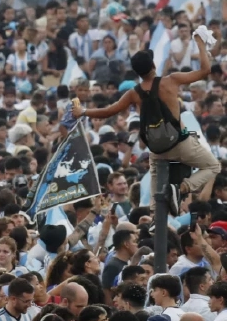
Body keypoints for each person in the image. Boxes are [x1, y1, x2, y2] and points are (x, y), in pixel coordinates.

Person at [74, 34, 222, 213]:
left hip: (157, 147)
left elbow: (109, 111)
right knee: (214, 165)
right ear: (153, 65)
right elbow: (205, 70)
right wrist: (199, 43)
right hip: (180, 143)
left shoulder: (133, 93)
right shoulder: (171, 80)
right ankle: (181, 188)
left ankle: (154, 215)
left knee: (155, 172)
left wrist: (83, 112)